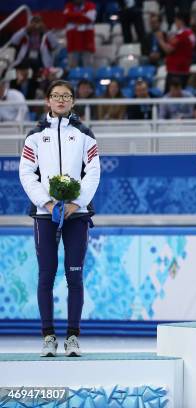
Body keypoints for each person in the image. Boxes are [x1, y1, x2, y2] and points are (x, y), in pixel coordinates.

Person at [19, 79, 100, 357]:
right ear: (48, 101)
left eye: (66, 96)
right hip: (45, 214)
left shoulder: (84, 133)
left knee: (74, 277)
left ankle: (73, 337)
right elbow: (26, 173)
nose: (61, 100)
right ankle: (48, 336)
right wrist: (48, 201)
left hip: (76, 215)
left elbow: (93, 171)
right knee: (46, 276)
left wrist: (76, 203)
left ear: (73, 101)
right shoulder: (35, 135)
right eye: (56, 96)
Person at [155, 11, 196, 90]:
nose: (175, 23)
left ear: (180, 21)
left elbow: (168, 50)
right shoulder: (190, 33)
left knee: (171, 96)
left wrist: (160, 40)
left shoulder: (182, 35)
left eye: (176, 21)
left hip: (176, 71)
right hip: (184, 69)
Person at [63, 0, 97, 68]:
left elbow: (90, 18)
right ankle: (72, 77)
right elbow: (66, 16)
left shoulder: (90, 6)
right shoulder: (68, 6)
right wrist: (82, 15)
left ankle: (88, 77)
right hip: (73, 39)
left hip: (86, 38)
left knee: (88, 64)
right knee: (72, 64)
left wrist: (73, 17)